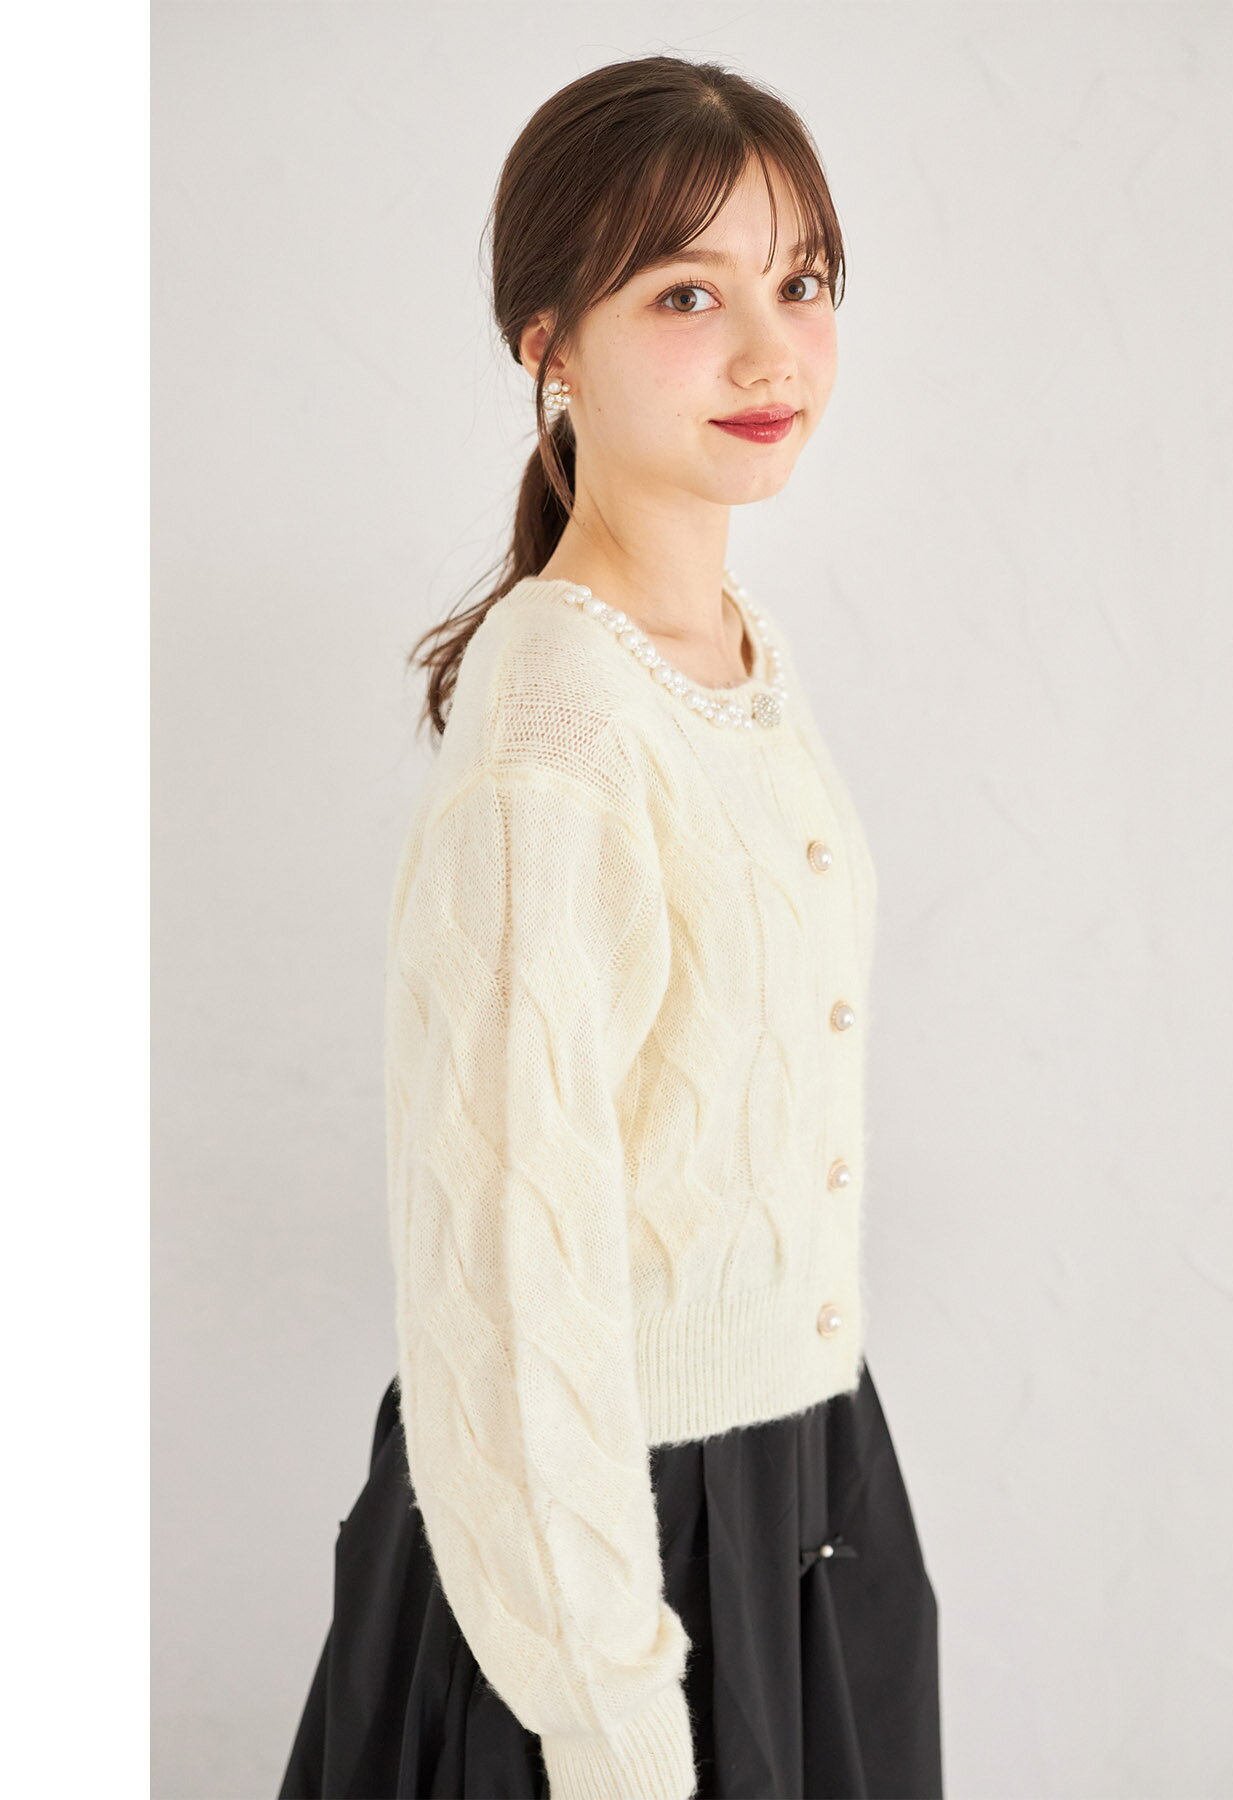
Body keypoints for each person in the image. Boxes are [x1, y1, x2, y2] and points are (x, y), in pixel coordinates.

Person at [277, 52, 942, 1800]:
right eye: (686, 295)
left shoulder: (735, 657)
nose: (771, 352)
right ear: (549, 345)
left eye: (803, 282)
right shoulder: (557, 724)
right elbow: (507, 1268)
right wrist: (608, 1707)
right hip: (603, 1553)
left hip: (805, 1491)